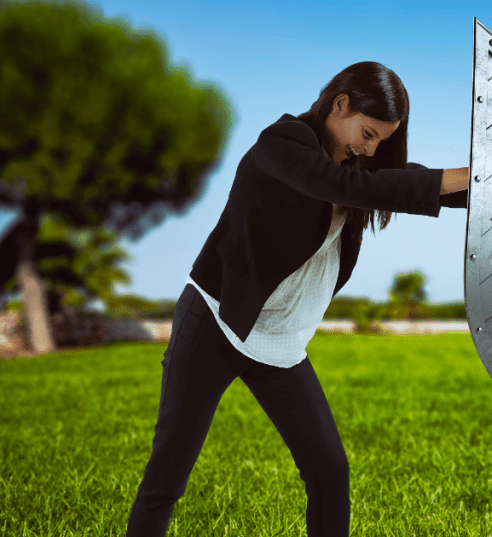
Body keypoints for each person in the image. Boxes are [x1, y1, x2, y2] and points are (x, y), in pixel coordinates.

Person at [125, 61, 469, 536]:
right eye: (367, 133)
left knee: (329, 471)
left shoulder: (358, 163)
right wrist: (464, 174)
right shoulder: (282, 144)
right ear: (340, 104)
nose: (369, 149)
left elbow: (406, 180)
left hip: (280, 343)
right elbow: (347, 188)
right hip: (215, 321)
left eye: (379, 142)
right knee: (168, 476)